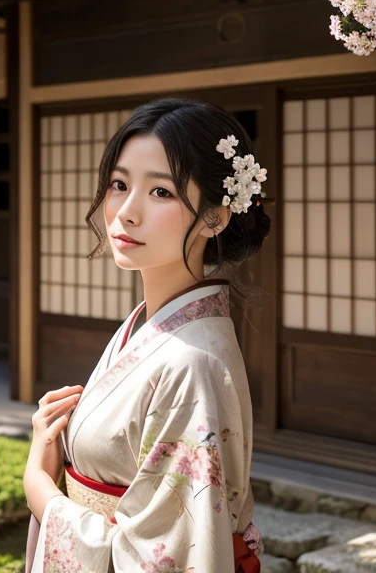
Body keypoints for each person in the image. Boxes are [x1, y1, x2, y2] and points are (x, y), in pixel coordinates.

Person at [23, 97, 271, 572]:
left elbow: (162, 559)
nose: (125, 211)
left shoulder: (193, 362)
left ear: (215, 216)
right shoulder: (150, 325)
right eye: (119, 184)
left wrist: (41, 488)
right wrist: (56, 437)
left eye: (161, 192)